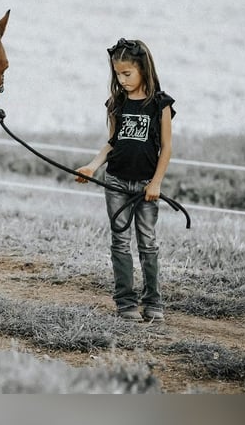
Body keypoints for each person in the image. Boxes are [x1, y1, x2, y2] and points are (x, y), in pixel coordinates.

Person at [75, 38, 175, 322]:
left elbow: (166, 148)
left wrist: (156, 183)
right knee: (120, 242)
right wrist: (93, 166)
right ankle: (125, 302)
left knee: (148, 242)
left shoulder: (160, 104)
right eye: (117, 74)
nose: (122, 79)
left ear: (143, 68)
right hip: (117, 181)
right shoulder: (117, 103)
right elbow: (112, 143)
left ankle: (153, 301)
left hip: (146, 185)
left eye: (127, 73)